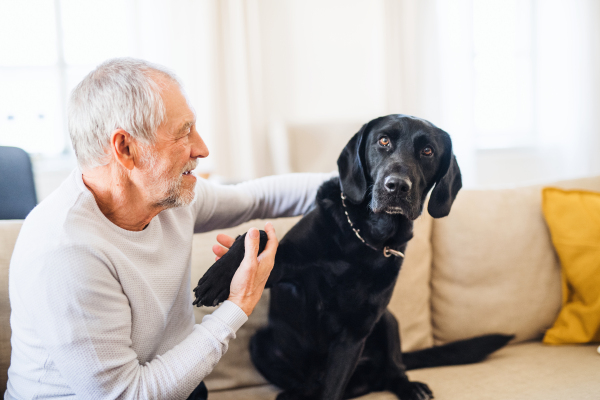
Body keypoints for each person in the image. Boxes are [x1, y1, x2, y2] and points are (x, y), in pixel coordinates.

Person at [6, 58, 331, 399]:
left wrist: (368, 183)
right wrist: (238, 304)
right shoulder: (65, 252)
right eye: (183, 132)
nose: (202, 149)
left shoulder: (168, 196)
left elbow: (255, 198)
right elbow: (128, 395)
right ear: (126, 149)